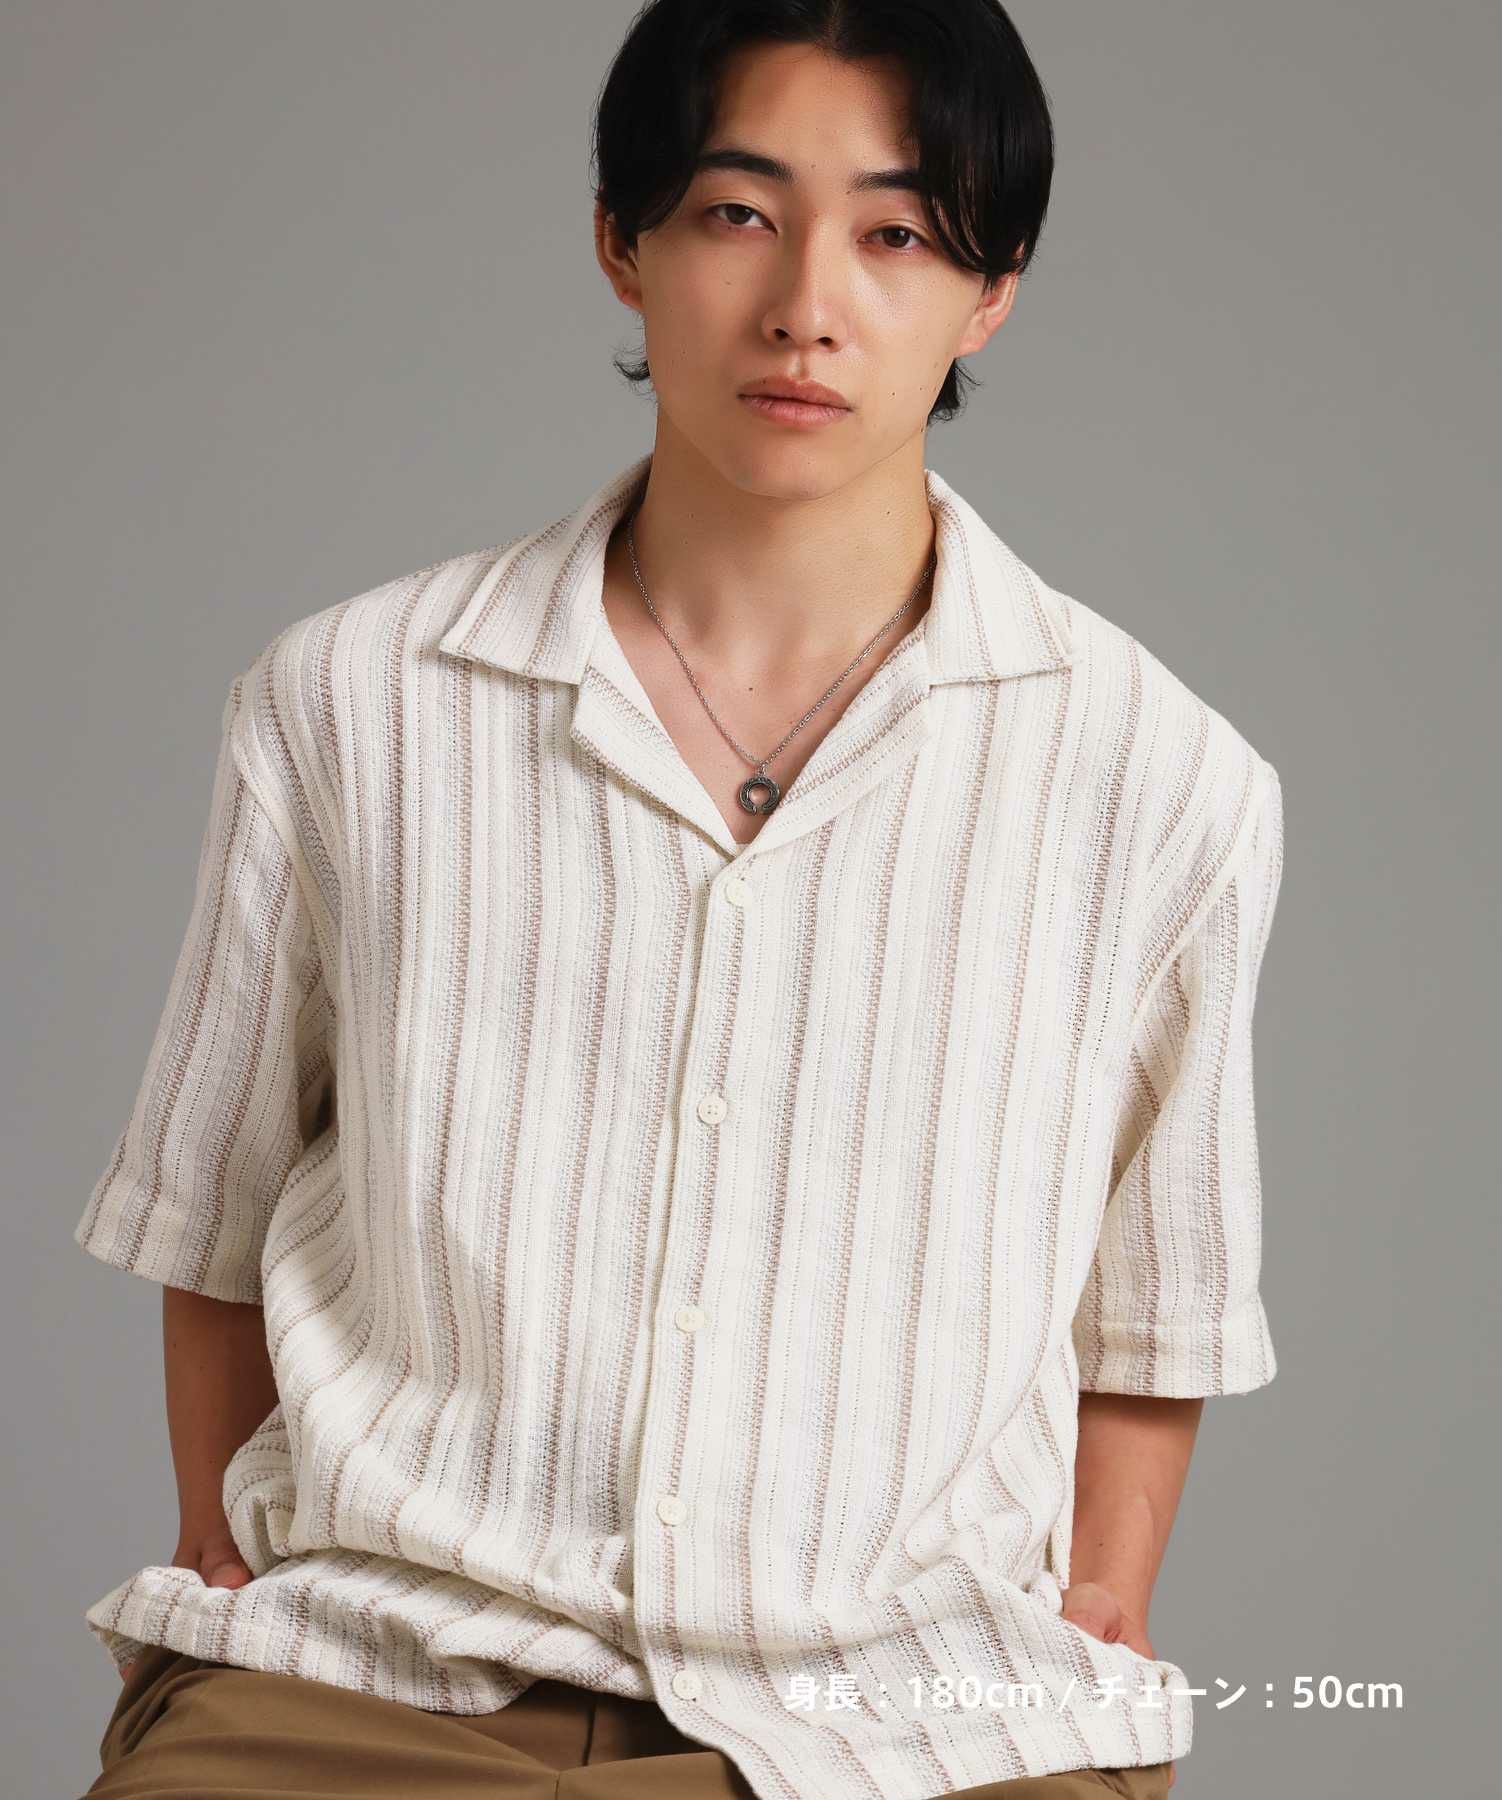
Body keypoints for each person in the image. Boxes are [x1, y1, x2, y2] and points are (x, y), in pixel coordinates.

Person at [74, 3, 1285, 1796]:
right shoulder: (351, 702)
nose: (805, 304)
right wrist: (236, 1552)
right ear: (620, 243)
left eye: (896, 233)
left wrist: (1099, 1598)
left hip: (913, 1716)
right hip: (382, 1674)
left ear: (991, 291)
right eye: (737, 213)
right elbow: (215, 1207)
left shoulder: (1159, 781)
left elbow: (1150, 1303)